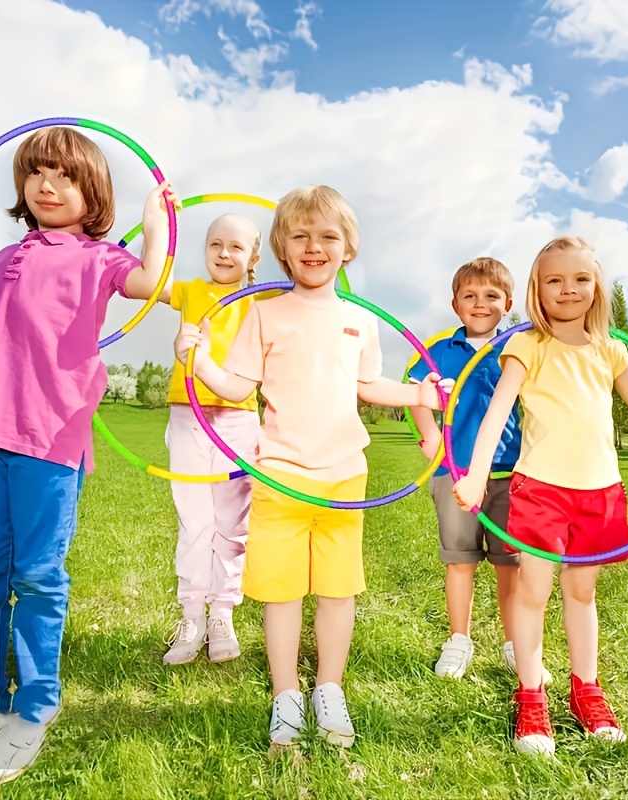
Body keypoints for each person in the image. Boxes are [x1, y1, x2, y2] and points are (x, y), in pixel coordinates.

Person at [0, 127, 176, 788]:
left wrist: (154, 223)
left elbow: (153, 282)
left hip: (48, 439)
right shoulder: (7, 258)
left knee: (36, 576)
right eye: (36, 173)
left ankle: (33, 707)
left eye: (64, 175)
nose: (47, 184)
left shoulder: (99, 260)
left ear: (93, 194)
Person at [175, 185, 445, 748]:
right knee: (281, 592)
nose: (314, 246)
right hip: (279, 474)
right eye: (300, 236)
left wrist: (418, 396)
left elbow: (368, 384)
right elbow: (236, 384)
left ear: (348, 248)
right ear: (281, 248)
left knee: (338, 590)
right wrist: (196, 356)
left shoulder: (360, 320)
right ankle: (285, 695)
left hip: (344, 476)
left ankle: (329, 687)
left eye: (327, 236)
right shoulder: (264, 314)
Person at [453, 236, 628, 756]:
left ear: (597, 286)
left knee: (582, 594)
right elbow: (497, 413)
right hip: (540, 490)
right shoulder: (526, 346)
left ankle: (586, 689)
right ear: (537, 290)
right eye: (555, 280)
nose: (568, 289)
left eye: (581, 279)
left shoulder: (611, 349)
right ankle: (532, 693)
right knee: (534, 592)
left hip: (600, 493)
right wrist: (474, 476)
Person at [408, 258, 550, 685]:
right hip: (455, 471)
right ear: (455, 304)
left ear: (507, 303)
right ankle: (458, 639)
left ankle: (515, 643)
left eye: (491, 296)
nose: (480, 303)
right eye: (470, 295)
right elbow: (418, 395)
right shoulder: (442, 351)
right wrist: (431, 435)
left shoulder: (519, 346)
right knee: (460, 561)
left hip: (510, 472)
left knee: (511, 563)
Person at [162, 214, 262, 666]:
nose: (224, 254)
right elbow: (143, 278)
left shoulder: (262, 302)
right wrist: (154, 217)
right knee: (194, 517)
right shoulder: (190, 292)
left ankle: (222, 613)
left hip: (238, 417)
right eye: (215, 244)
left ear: (254, 257)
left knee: (231, 522)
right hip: (188, 414)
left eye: (236, 247)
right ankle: (192, 615)